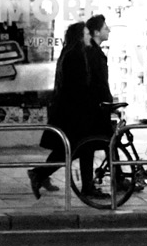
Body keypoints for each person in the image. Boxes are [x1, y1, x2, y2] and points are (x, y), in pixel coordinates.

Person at [29, 20, 105, 197]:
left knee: (77, 149)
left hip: (73, 113)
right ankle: (40, 173)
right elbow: (78, 87)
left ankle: (43, 174)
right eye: (86, 34)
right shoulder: (76, 56)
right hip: (76, 114)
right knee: (76, 149)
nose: (89, 37)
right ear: (79, 37)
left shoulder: (71, 52)